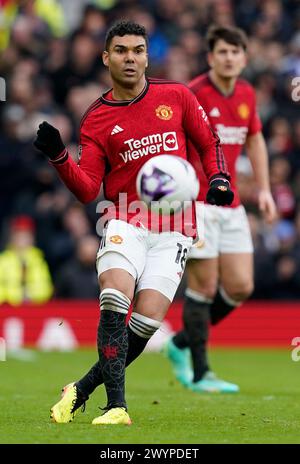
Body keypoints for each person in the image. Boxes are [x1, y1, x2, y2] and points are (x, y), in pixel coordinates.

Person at [33, 21, 233, 425]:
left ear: (146, 56)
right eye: (121, 50)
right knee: (114, 297)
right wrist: (59, 156)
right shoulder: (97, 119)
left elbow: (208, 141)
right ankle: (117, 407)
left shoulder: (176, 96)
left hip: (176, 225)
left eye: (138, 50)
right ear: (106, 57)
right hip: (125, 215)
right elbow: (89, 189)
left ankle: (80, 390)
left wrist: (218, 178)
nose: (130, 58)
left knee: (144, 324)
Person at [165, 25, 277, 393]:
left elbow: (255, 138)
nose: (229, 58)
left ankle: (181, 342)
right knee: (205, 285)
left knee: (242, 286)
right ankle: (200, 373)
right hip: (196, 202)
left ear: (244, 58)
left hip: (231, 204)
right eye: (222, 52)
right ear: (211, 57)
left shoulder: (246, 93)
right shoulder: (193, 93)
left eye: (235, 52)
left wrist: (264, 189)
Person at [0, 215, 53, 306]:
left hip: (33, 309)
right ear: (12, 237)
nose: (22, 239)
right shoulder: (3, 260)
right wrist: (15, 298)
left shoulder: (38, 260)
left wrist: (30, 296)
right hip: (7, 309)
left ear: (32, 238)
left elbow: (46, 288)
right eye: (19, 235)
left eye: (26, 236)